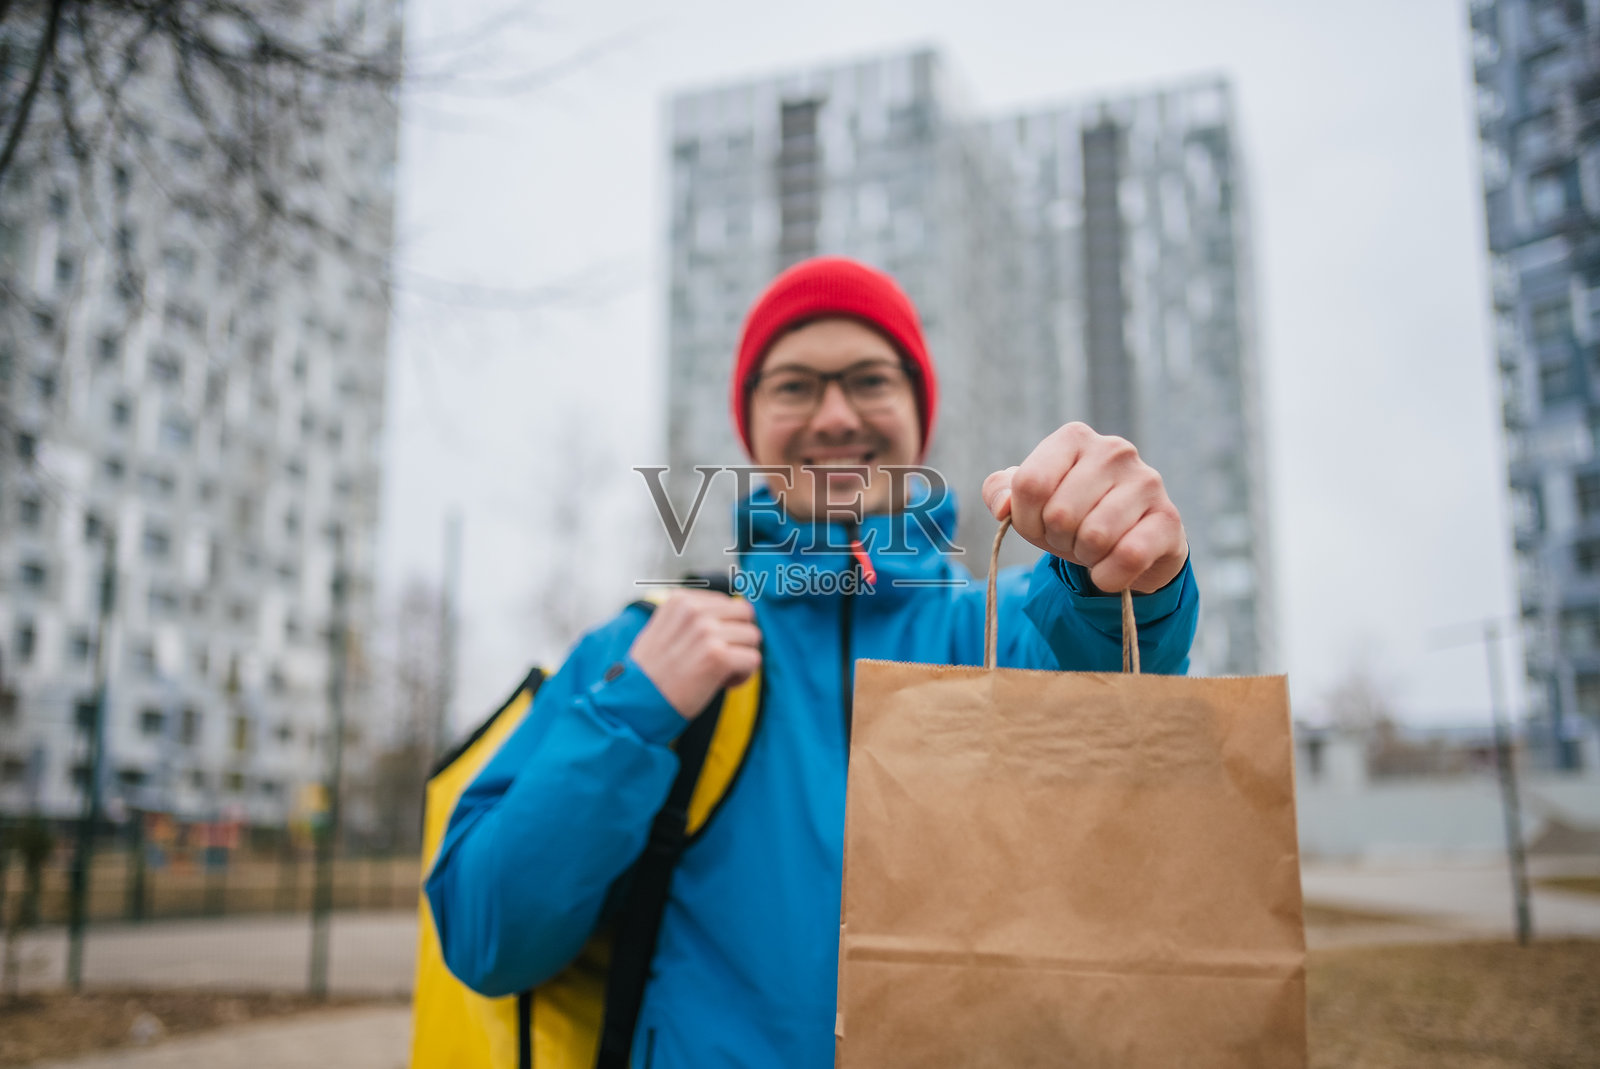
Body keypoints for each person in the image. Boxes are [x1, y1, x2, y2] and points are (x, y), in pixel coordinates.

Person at [425, 256, 1199, 1067]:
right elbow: (488, 939)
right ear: (749, 425)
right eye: (794, 385)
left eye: (870, 380)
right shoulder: (641, 653)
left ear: (918, 415)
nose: (834, 416)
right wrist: (632, 714)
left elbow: (1111, 646)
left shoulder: (1008, 634)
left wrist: (1127, 566)